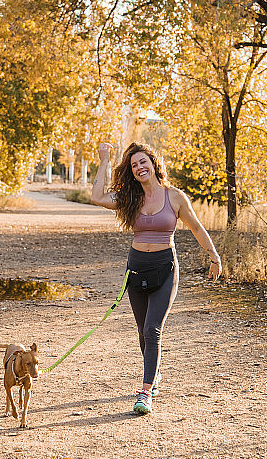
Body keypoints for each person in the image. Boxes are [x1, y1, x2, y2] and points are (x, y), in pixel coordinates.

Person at [91, 141, 221, 414]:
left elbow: (196, 227)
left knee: (153, 329)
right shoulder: (129, 198)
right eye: (134, 165)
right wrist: (104, 160)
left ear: (153, 162)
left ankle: (146, 391)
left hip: (165, 268)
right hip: (136, 268)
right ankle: (155, 372)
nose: (139, 167)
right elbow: (97, 198)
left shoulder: (174, 197)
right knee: (143, 332)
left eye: (143, 162)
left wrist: (214, 256)